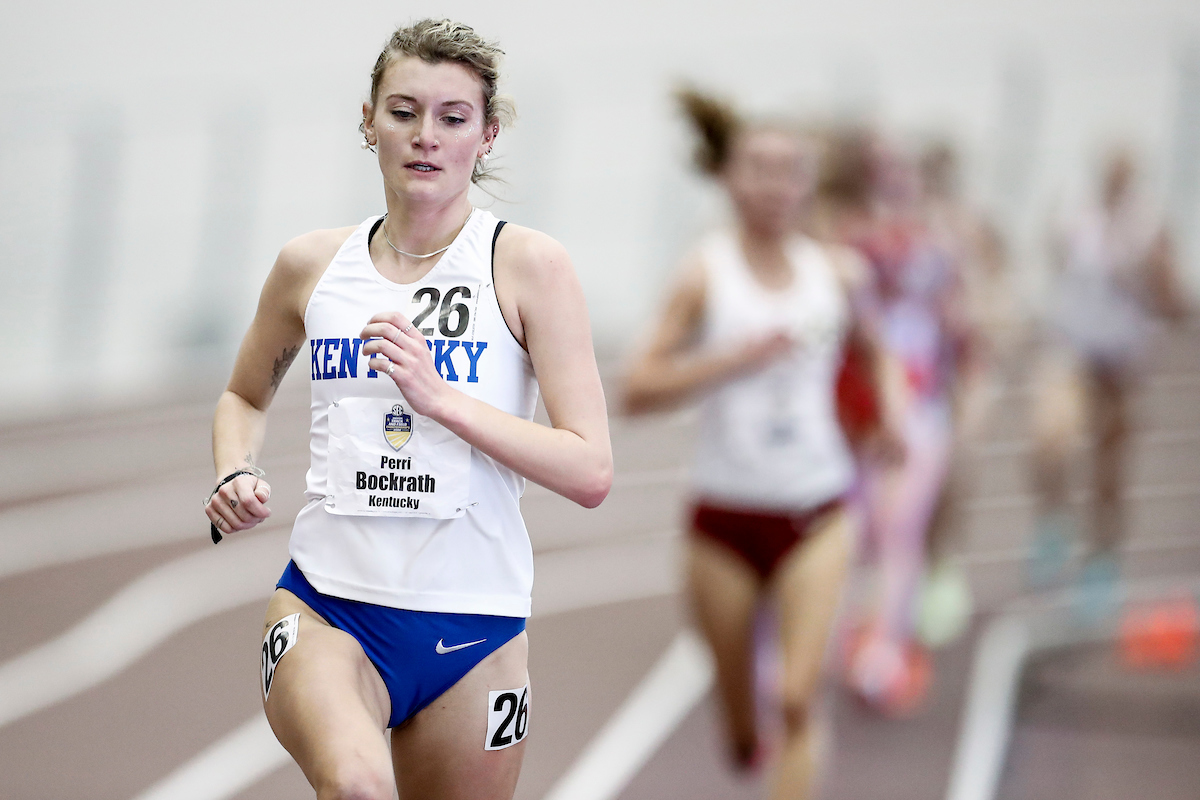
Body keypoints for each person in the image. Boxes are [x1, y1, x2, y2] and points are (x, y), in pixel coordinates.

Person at [203, 20, 612, 800]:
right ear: (368, 120)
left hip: (475, 626)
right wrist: (235, 467)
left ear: (486, 135)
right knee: (357, 787)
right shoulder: (310, 267)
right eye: (403, 111)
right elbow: (243, 395)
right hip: (330, 607)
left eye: (453, 118)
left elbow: (591, 469)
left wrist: (441, 401)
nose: (426, 137)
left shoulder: (526, 266)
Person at [623, 90, 902, 800]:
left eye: (789, 170)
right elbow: (636, 388)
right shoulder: (705, 272)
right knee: (743, 727)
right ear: (731, 179)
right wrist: (732, 359)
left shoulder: (837, 274)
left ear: (807, 186)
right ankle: (744, 734)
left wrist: (893, 420)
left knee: (800, 698)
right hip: (722, 522)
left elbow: (878, 354)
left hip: (817, 508)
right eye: (760, 168)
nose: (775, 185)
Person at [814, 132, 981, 715]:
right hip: (855, 411)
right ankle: (835, 644)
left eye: (904, 175)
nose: (895, 186)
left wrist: (965, 405)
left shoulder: (940, 247)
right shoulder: (844, 241)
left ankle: (883, 652)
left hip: (920, 406)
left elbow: (962, 331)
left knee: (898, 527)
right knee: (848, 529)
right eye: (884, 173)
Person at [1030, 148, 1187, 619]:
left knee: (1108, 471)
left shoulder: (1149, 228)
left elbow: (1174, 302)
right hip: (1073, 349)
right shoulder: (1078, 218)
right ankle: (1053, 522)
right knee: (1050, 439)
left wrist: (1154, 275)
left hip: (1121, 363)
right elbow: (1055, 260)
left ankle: (1101, 563)